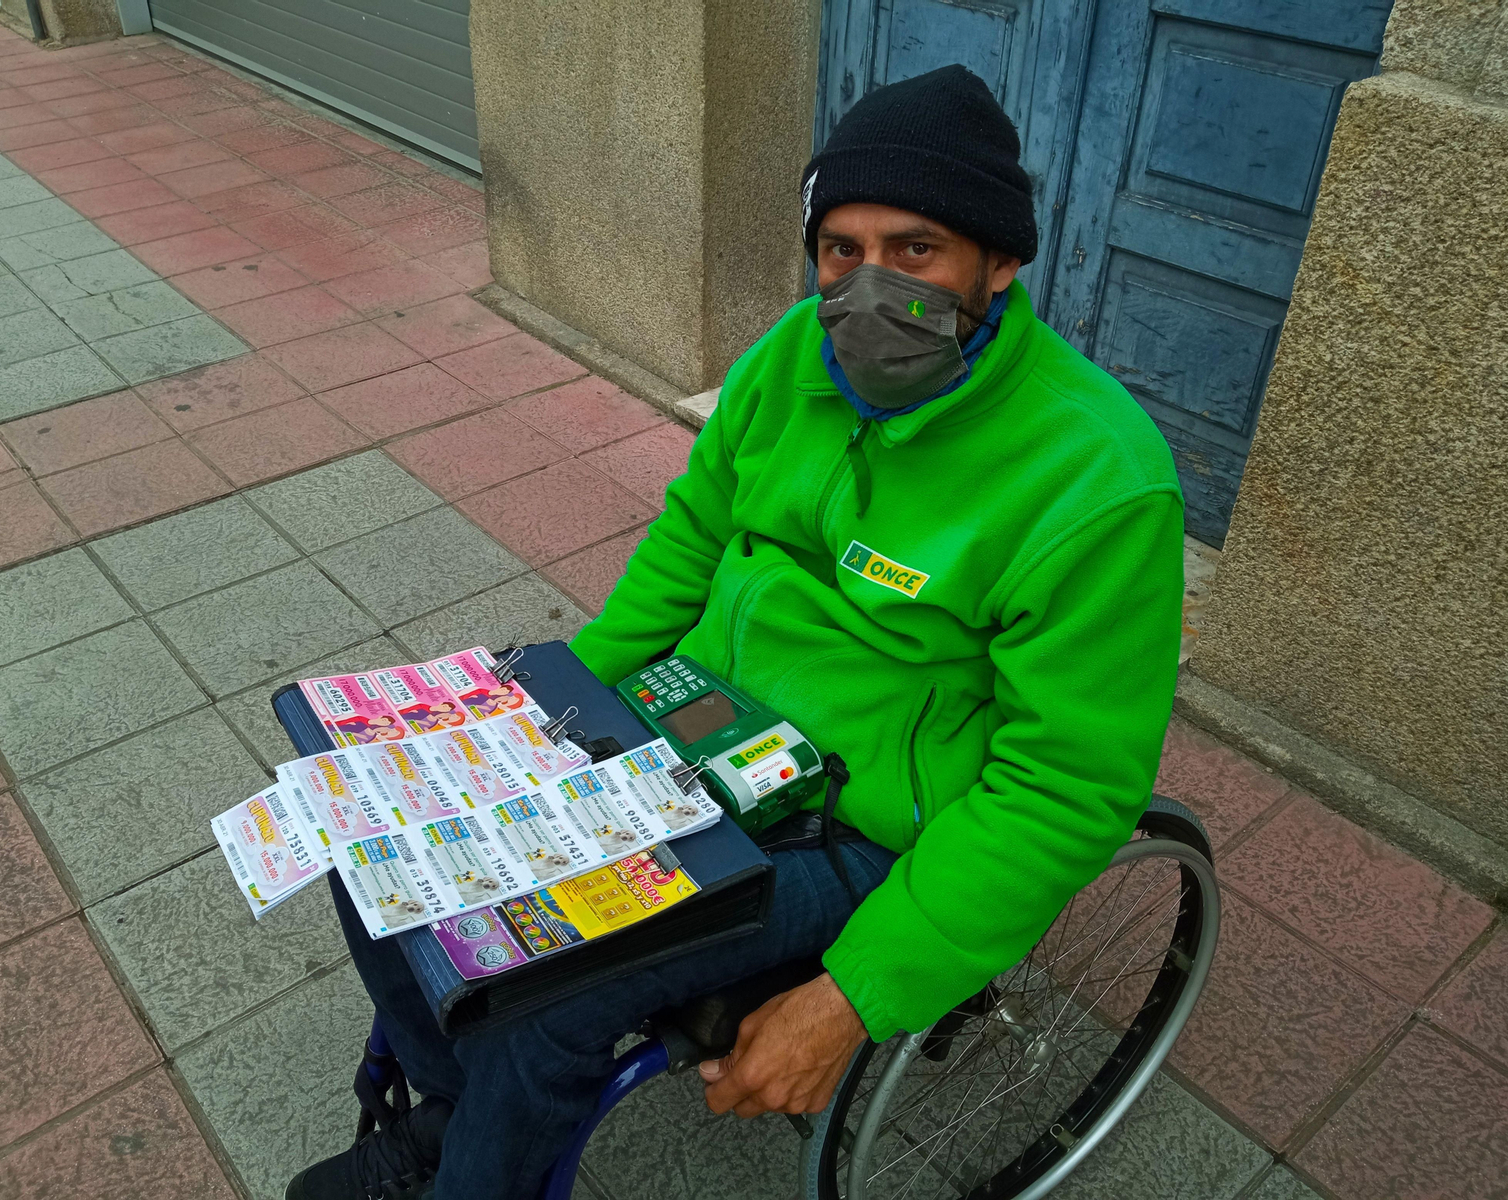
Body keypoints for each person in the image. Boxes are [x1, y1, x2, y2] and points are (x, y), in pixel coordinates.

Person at [288, 64, 1183, 1200]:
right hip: (686, 724)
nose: (866, 288)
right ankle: (455, 1117)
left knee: (543, 994)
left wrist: (851, 994)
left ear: (999, 263)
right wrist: (550, 709)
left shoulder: (1095, 481)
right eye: (839, 250)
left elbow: (1065, 785)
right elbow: (687, 541)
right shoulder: (788, 358)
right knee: (379, 845)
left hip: (849, 819)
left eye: (915, 252)